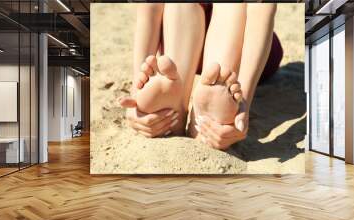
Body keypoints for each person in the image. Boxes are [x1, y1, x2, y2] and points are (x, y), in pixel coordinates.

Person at [119, 3, 283, 150]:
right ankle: (179, 106)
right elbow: (150, 7)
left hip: (247, 50)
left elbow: (262, 8)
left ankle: (211, 98)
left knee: (232, 6)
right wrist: (136, 96)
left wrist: (243, 104)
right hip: (182, 39)